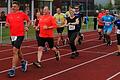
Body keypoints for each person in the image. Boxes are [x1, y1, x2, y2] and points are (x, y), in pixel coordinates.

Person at [5, 1, 31, 77]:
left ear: (18, 7)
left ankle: (13, 69)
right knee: (18, 50)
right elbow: (7, 24)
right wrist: (6, 25)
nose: (13, 7)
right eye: (12, 6)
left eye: (15, 6)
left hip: (20, 35)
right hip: (12, 35)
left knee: (14, 51)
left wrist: (27, 26)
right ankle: (23, 62)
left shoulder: (22, 14)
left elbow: (29, 21)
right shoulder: (9, 15)